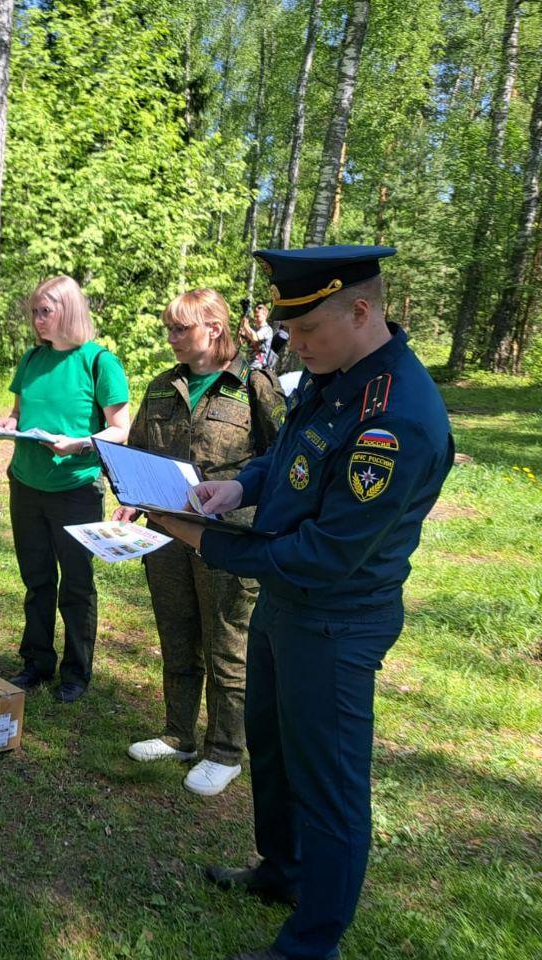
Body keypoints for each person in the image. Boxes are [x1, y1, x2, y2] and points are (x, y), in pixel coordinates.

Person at [149, 246, 454, 960]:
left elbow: (323, 553)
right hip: (286, 606)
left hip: (335, 619)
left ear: (362, 310)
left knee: (328, 783)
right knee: (276, 752)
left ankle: (311, 943)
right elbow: (287, 452)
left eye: (310, 328)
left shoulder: (396, 415)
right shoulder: (332, 374)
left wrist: (202, 539)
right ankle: (281, 872)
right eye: (289, 330)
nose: (296, 344)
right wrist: (241, 488)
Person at [116, 289, 284, 797]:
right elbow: (141, 450)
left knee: (227, 643)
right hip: (167, 531)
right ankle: (178, 734)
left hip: (229, 536)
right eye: (168, 329)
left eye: (180, 330)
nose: (171, 339)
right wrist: (130, 496)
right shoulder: (163, 386)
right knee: (177, 633)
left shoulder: (253, 385)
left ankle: (226, 752)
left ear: (213, 328)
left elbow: (283, 461)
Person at [0, 275, 131, 702]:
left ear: (69, 311)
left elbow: (120, 430)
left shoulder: (98, 361)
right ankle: (36, 663)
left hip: (75, 487)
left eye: (45, 311)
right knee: (36, 580)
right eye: (34, 312)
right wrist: (7, 425)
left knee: (75, 584)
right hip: (27, 484)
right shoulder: (31, 359)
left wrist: (81, 444)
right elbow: (18, 413)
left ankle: (76, 672)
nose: (37, 320)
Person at [240, 303, 276, 370]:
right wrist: (242, 334)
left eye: (258, 316)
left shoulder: (267, 329)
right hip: (248, 362)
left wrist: (246, 325)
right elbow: (241, 342)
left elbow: (255, 338)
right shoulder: (254, 329)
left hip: (258, 365)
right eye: (255, 316)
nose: (255, 318)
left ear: (265, 315)